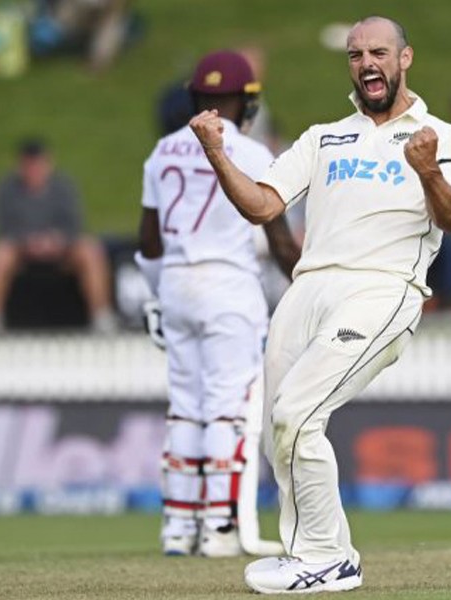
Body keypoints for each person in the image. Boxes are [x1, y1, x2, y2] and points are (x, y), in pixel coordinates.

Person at [189, 16, 451, 593]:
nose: (366, 62)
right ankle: (310, 554)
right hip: (307, 288)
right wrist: (217, 152)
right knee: (280, 428)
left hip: (382, 287)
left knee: (298, 412)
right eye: (355, 54)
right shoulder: (324, 136)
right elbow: (264, 206)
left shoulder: (442, 136)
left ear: (404, 59)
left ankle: (327, 557)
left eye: (378, 52)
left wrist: (425, 171)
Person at [135, 50, 300, 558]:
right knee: (230, 410)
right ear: (246, 101)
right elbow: (279, 240)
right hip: (228, 286)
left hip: (177, 283)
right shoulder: (251, 153)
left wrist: (160, 295)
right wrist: (310, 283)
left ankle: (178, 529)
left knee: (186, 408)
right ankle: (221, 529)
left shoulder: (162, 151)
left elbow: (150, 240)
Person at [0, 139, 117, 336]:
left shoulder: (63, 188)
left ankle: (102, 314)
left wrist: (57, 240)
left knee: (90, 250)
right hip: (21, 250)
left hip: (61, 249)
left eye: (38, 164)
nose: (34, 170)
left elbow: (74, 224)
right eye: (29, 165)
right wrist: (28, 241)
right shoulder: (7, 190)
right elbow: (3, 226)